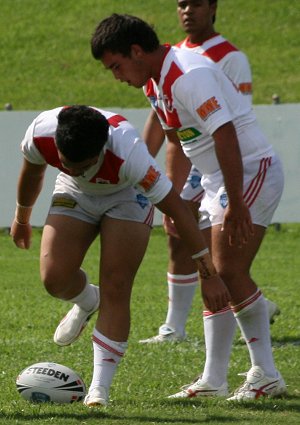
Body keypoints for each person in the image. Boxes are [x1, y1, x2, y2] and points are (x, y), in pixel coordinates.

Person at [90, 13, 287, 401]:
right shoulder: (154, 80)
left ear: (136, 51)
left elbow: (226, 133)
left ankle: (265, 373)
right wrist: (175, 199)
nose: (115, 75)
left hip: (248, 169)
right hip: (219, 177)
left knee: (228, 269)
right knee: (211, 271)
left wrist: (235, 205)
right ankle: (214, 380)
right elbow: (176, 142)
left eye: (116, 65)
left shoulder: (188, 74)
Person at [10, 105, 230, 407]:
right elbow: (33, 172)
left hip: (128, 195)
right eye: (66, 163)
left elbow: (179, 210)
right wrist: (22, 219)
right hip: (75, 193)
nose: (73, 169)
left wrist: (209, 275)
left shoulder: (130, 155)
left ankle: (99, 389)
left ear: (101, 149)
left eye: (83, 165)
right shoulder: (40, 133)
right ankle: (89, 301)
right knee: (54, 278)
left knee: (116, 284)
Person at [139, 0, 280, 344]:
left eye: (196, 3)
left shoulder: (228, 57)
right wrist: (144, 164)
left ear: (213, 7)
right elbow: (165, 124)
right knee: (182, 240)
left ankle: (250, 312)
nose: (187, 10)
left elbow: (229, 122)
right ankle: (176, 327)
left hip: (224, 160)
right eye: (181, 3)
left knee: (222, 259)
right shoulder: (158, 64)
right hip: (196, 160)